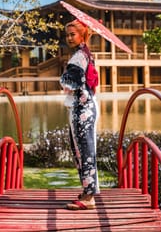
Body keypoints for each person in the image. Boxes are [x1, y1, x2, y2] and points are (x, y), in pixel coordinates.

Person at [60, 19, 99, 210]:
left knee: (85, 151)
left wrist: (63, 77)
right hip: (84, 106)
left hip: (82, 110)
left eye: (72, 34)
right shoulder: (85, 54)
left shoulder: (79, 57)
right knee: (82, 150)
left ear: (82, 34)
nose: (69, 38)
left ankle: (89, 196)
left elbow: (70, 82)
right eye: (67, 35)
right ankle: (87, 191)